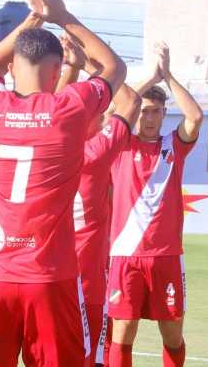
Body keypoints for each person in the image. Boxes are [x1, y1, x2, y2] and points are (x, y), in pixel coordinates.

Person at [0, 0, 127, 366]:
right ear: (58, 72)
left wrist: (35, 16)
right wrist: (61, 14)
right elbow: (114, 69)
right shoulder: (68, 109)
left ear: (14, 68)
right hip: (49, 280)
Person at [104, 42, 203, 367]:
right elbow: (110, 107)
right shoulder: (120, 143)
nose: (148, 117)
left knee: (172, 334)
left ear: (164, 114)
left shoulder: (173, 146)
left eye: (155, 111)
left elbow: (195, 116)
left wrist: (169, 76)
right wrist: (150, 78)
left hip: (166, 257)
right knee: (123, 330)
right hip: (125, 254)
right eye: (143, 110)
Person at [55, 35, 141, 367]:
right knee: (87, 358)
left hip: (47, 274)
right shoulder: (95, 153)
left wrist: (72, 67)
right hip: (86, 279)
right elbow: (130, 101)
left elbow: (57, 107)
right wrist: (94, 67)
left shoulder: (51, 149)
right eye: (98, 110)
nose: (104, 115)